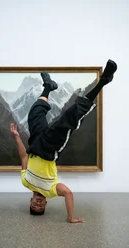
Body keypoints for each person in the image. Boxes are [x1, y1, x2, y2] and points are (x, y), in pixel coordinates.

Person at [10, 59, 117, 223]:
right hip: (50, 148)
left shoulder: (26, 182)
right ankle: (103, 81)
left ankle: (48, 87)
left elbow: (24, 157)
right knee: (70, 117)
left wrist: (17, 137)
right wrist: (70, 217)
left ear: (30, 201)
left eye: (34, 206)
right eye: (41, 207)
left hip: (35, 143)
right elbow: (68, 193)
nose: (38, 204)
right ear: (46, 202)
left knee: (34, 114)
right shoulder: (51, 191)